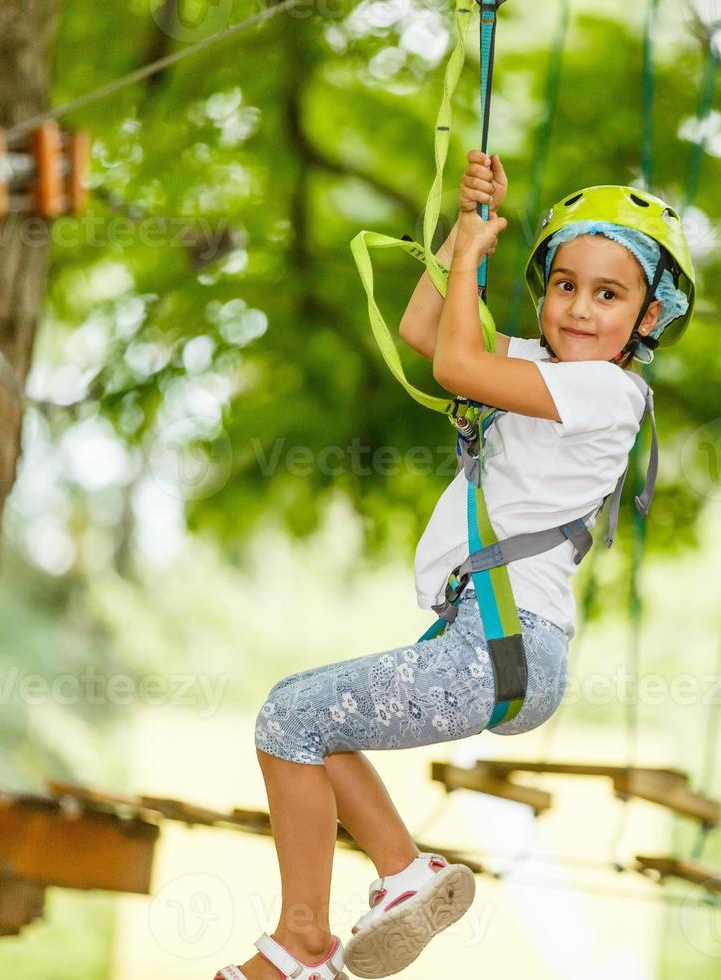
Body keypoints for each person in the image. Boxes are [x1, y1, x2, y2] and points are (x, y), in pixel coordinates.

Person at [215, 149, 695, 980]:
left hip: (507, 642)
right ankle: (403, 873)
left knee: (289, 716)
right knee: (318, 737)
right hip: (489, 637)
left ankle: (304, 942)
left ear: (649, 319)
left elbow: (456, 367)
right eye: (564, 284)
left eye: (608, 294)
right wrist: (456, 240)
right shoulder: (544, 369)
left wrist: (475, 258)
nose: (579, 307)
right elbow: (425, 332)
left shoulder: (610, 394)